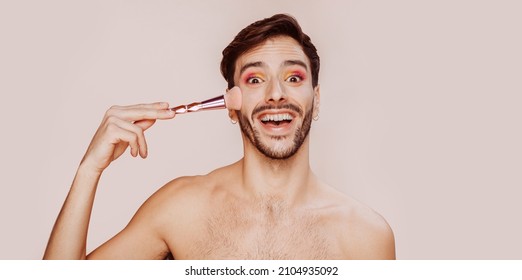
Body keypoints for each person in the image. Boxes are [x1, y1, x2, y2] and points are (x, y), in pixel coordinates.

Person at [43, 14, 395, 260]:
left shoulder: (366, 237)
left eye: (293, 78)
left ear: (315, 100)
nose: (276, 94)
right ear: (230, 105)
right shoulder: (182, 208)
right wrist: (89, 169)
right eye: (255, 80)